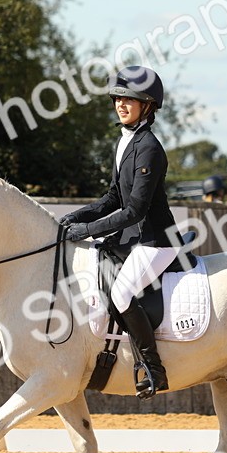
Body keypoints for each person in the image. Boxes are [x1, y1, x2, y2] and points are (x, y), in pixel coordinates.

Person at [59, 66, 178, 399]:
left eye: (129, 100)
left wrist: (87, 230)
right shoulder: (125, 141)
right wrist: (76, 216)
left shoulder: (149, 148)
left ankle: (153, 369)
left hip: (156, 242)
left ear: (147, 106)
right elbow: (113, 197)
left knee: (122, 294)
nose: (121, 105)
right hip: (131, 240)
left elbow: (135, 210)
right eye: (117, 99)